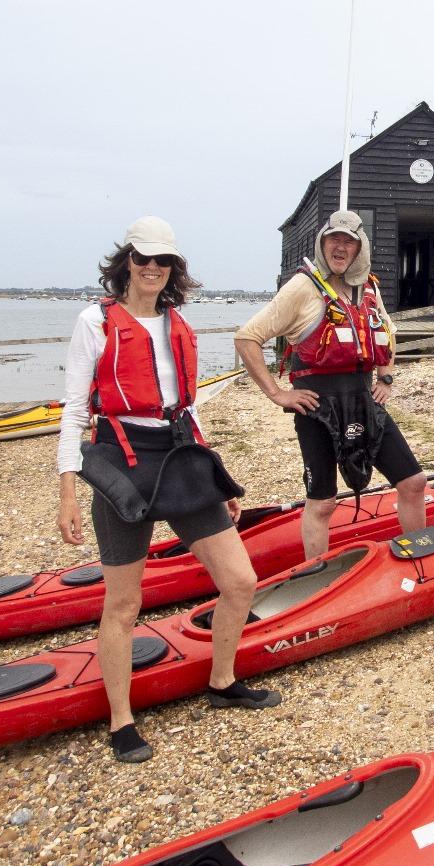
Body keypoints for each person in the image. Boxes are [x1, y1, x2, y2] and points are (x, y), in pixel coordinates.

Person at [56, 216, 280, 766]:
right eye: (142, 259)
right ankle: (121, 719)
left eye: (163, 261)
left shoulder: (178, 324)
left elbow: (191, 408)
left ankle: (222, 680)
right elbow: (74, 411)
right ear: (126, 262)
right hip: (120, 457)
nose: (151, 269)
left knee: (240, 581)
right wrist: (67, 489)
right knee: (125, 603)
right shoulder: (94, 321)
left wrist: (214, 475)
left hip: (179, 455)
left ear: (174, 269)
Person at [234, 210, 427, 559]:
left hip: (363, 400)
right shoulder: (303, 287)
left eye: (348, 241)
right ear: (323, 244)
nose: (340, 246)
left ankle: (419, 558)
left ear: (359, 248)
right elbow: (248, 337)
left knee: (414, 483)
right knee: (322, 503)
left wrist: (385, 376)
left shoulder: (367, 286)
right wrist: (277, 394)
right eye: (333, 239)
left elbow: (386, 332)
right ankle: (316, 576)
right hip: (316, 406)